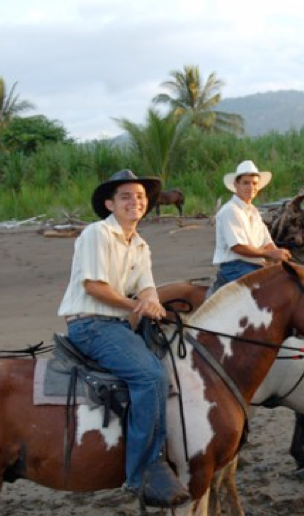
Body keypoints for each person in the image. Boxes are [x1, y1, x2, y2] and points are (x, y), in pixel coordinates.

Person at [58, 169, 190, 508]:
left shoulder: (140, 243)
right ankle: (142, 472)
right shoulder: (97, 234)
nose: (135, 202)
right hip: (92, 325)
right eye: (126, 197)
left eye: (140, 197)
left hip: (119, 324)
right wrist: (138, 305)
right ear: (110, 204)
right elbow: (94, 287)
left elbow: (146, 285)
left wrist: (153, 302)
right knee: (150, 376)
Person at [212, 160, 291, 288]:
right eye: (245, 183)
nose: (251, 187)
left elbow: (266, 242)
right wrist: (270, 254)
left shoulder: (253, 211)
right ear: (236, 185)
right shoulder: (230, 210)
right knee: (267, 291)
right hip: (235, 266)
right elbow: (238, 246)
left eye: (254, 183)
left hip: (254, 264)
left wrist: (278, 255)